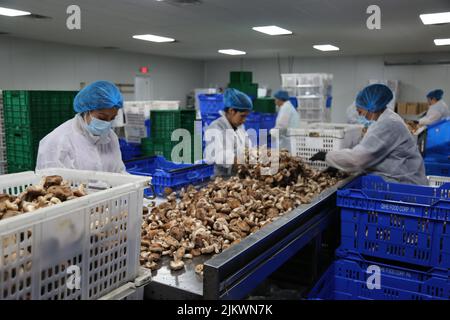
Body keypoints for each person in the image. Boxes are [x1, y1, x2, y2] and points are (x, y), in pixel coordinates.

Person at [310, 84, 428, 185]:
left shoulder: (387, 124)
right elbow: (369, 152)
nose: (360, 116)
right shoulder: (388, 118)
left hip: (404, 186)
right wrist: (339, 162)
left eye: (360, 112)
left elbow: (357, 159)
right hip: (402, 180)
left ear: (371, 107)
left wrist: (327, 156)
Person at [36, 80, 126, 173]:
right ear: (86, 111)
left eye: (112, 118)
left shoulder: (110, 137)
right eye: (102, 117)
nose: (107, 123)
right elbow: (50, 183)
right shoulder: (58, 141)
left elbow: (119, 172)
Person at [204, 88, 253, 177]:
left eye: (246, 116)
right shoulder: (216, 127)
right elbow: (216, 156)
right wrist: (238, 161)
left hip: (239, 177)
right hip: (223, 179)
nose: (244, 120)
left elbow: (247, 147)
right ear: (231, 111)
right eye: (242, 116)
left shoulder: (240, 127)